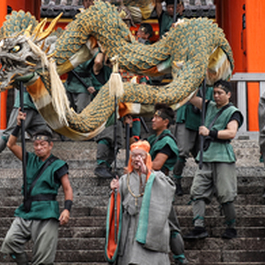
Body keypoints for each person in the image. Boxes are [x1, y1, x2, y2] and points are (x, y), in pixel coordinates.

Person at [0, 110, 73, 265]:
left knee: (43, 259)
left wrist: (67, 208)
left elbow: (67, 188)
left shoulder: (58, 165)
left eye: (42, 144)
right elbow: (10, 144)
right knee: (10, 242)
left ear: (50, 145)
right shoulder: (29, 159)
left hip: (47, 212)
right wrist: (19, 126)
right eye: (36, 145)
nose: (39, 147)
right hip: (26, 209)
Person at [124, 103, 188, 265]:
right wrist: (129, 128)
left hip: (160, 185)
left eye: (156, 118)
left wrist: (139, 163)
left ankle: (180, 258)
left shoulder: (167, 141)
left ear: (165, 122)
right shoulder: (153, 139)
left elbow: (157, 165)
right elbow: (135, 146)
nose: (152, 120)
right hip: (146, 185)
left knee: (170, 222)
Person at [184, 79, 243, 240]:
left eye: (220, 93)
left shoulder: (233, 112)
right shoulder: (209, 105)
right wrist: (195, 79)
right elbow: (191, 98)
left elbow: (231, 133)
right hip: (206, 156)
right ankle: (198, 227)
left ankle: (231, 227)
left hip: (222, 155)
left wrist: (210, 133)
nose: (216, 96)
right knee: (197, 191)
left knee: (226, 194)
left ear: (229, 94)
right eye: (215, 92)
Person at [107, 140, 176, 264]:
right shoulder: (124, 179)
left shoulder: (157, 176)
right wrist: (115, 191)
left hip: (149, 225)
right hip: (129, 225)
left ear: (147, 158)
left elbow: (169, 188)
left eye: (141, 155)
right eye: (134, 155)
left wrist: (147, 173)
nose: (137, 158)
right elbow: (117, 205)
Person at [173, 86, 214, 196]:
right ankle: (176, 180)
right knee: (182, 150)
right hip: (186, 114)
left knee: (203, 153)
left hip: (204, 117)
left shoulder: (211, 79)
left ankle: (206, 181)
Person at [0, 88, 53, 154]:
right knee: (9, 135)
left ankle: (44, 162)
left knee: (44, 134)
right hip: (25, 104)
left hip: (37, 105)